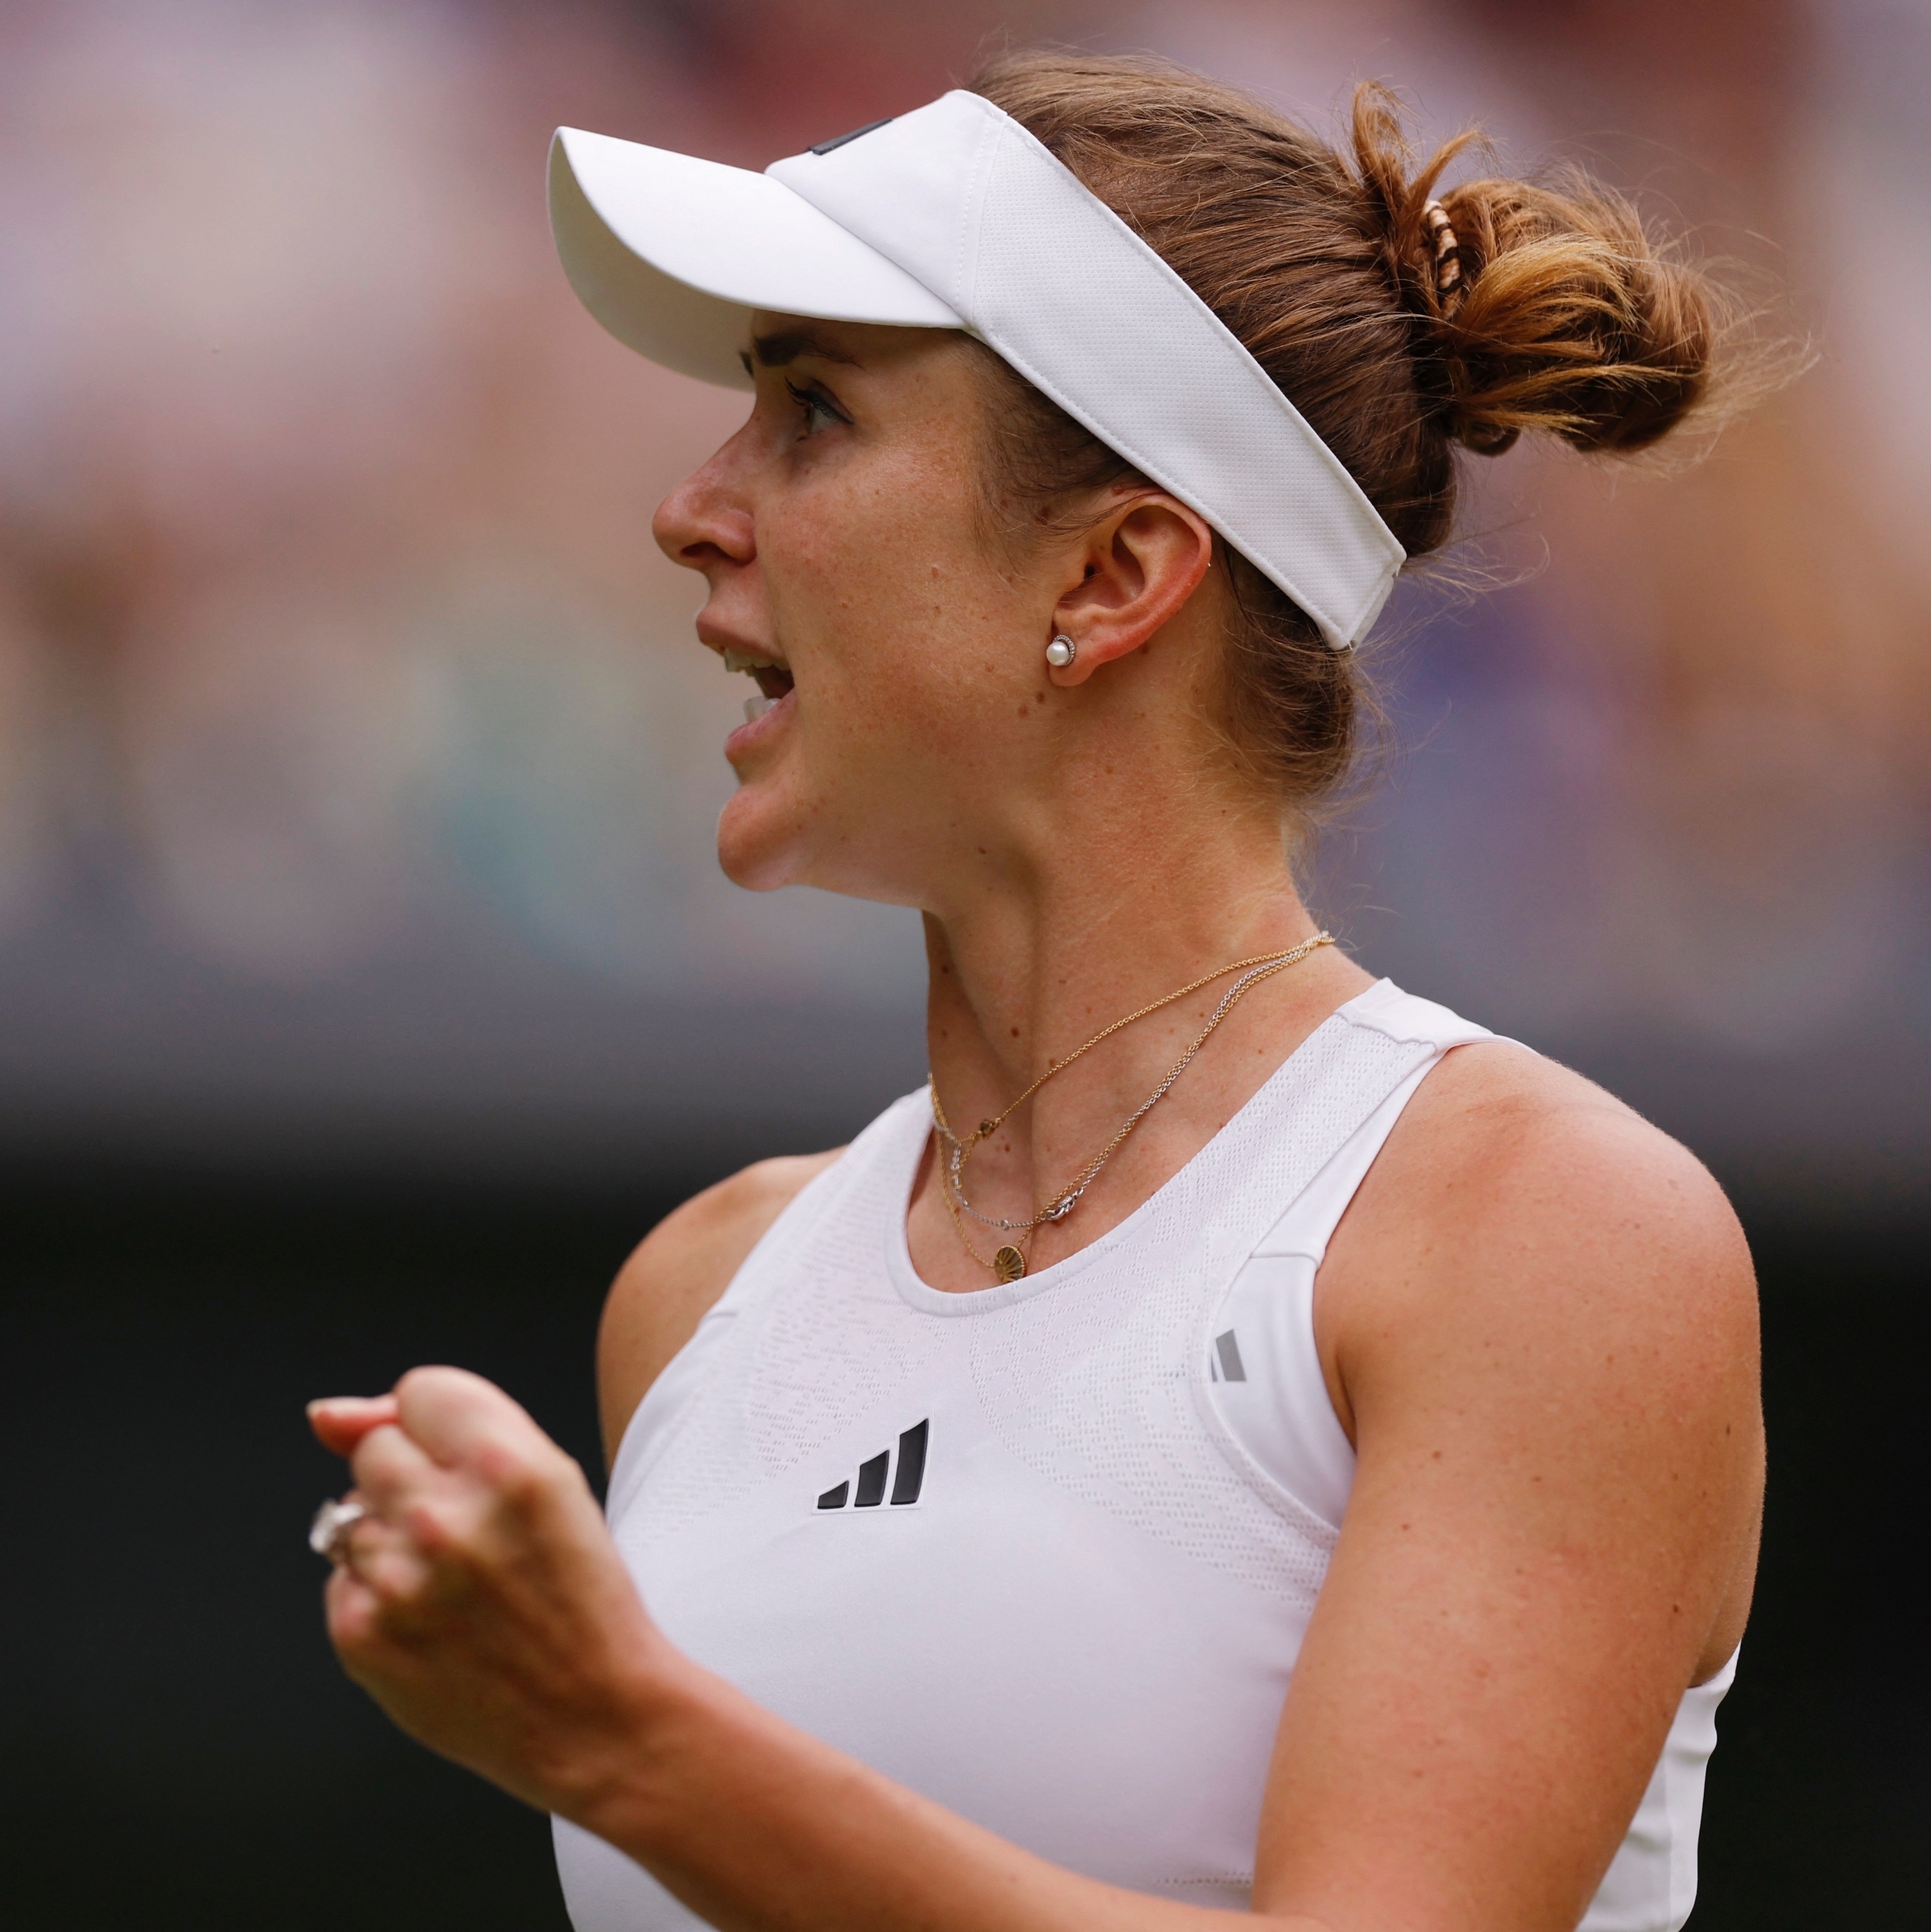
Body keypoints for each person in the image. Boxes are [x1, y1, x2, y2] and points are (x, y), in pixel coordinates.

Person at [307, 51, 1765, 1932]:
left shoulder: (1547, 1233)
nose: (689, 507)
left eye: (814, 410)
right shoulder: (698, 1297)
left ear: (1116, 565)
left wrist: (621, 1731)